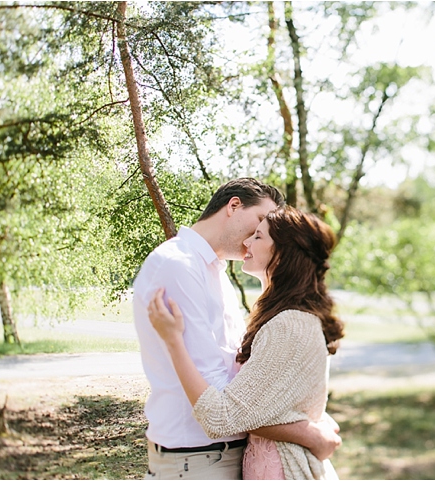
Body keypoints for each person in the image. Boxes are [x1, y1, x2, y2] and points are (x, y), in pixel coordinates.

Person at [132, 179, 342, 480]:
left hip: (223, 456)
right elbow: (223, 403)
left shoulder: (216, 274)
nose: (251, 240)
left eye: (262, 234)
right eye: (258, 223)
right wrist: (306, 432)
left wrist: (305, 417)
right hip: (197, 460)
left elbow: (250, 389)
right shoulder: (179, 265)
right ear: (233, 205)